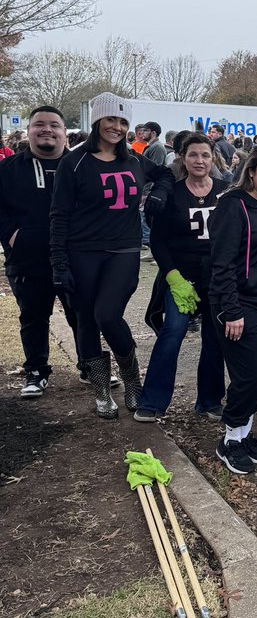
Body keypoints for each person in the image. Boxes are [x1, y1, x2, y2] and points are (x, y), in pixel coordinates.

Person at [49, 93, 172, 418]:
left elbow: (166, 175)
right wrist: (59, 262)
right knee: (86, 318)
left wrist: (158, 195)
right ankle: (102, 390)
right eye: (110, 120)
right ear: (97, 122)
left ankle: (132, 380)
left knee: (107, 314)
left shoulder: (134, 159)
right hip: (82, 252)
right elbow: (59, 215)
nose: (116, 127)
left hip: (123, 250)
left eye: (122, 121)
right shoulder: (73, 162)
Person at [135, 133, 227, 422]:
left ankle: (210, 399)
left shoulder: (226, 191)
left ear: (213, 158)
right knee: (172, 332)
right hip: (181, 277)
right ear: (183, 159)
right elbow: (159, 242)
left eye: (205, 155)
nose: (199, 160)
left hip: (215, 277)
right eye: (193, 155)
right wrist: (173, 277)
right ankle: (152, 401)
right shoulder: (171, 193)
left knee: (215, 338)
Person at [208, 145, 257, 474]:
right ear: (252, 171)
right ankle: (229, 440)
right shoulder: (233, 206)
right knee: (248, 374)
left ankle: (243, 433)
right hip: (238, 304)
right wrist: (232, 310)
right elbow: (222, 264)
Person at [0, 106, 82, 398]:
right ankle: (36, 371)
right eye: (40, 125)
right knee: (33, 316)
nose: (47, 130)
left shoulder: (80, 166)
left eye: (54, 125)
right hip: (27, 259)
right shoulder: (8, 169)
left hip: (76, 259)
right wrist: (12, 237)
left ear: (64, 131)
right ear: (29, 130)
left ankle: (88, 365)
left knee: (81, 314)